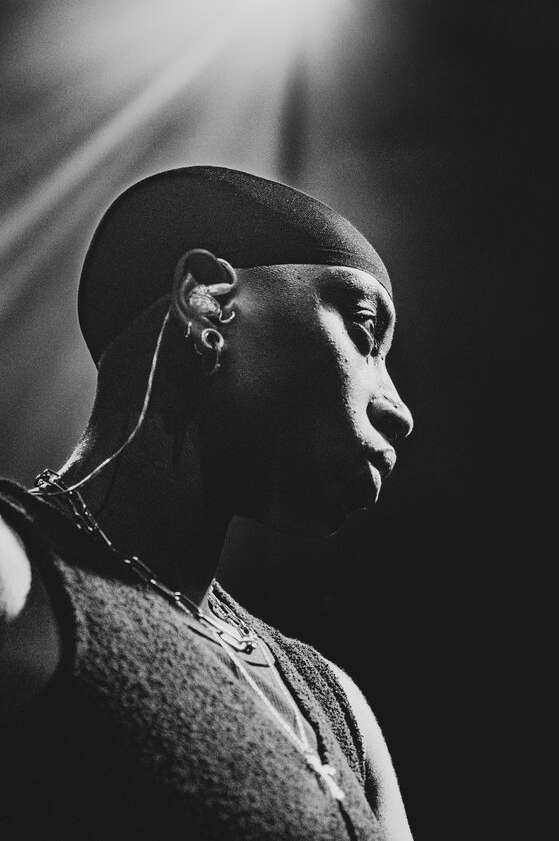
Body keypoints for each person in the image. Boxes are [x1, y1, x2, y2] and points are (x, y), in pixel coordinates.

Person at [0, 166, 414, 840]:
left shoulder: (336, 702)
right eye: (365, 331)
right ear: (207, 301)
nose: (398, 409)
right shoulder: (17, 576)